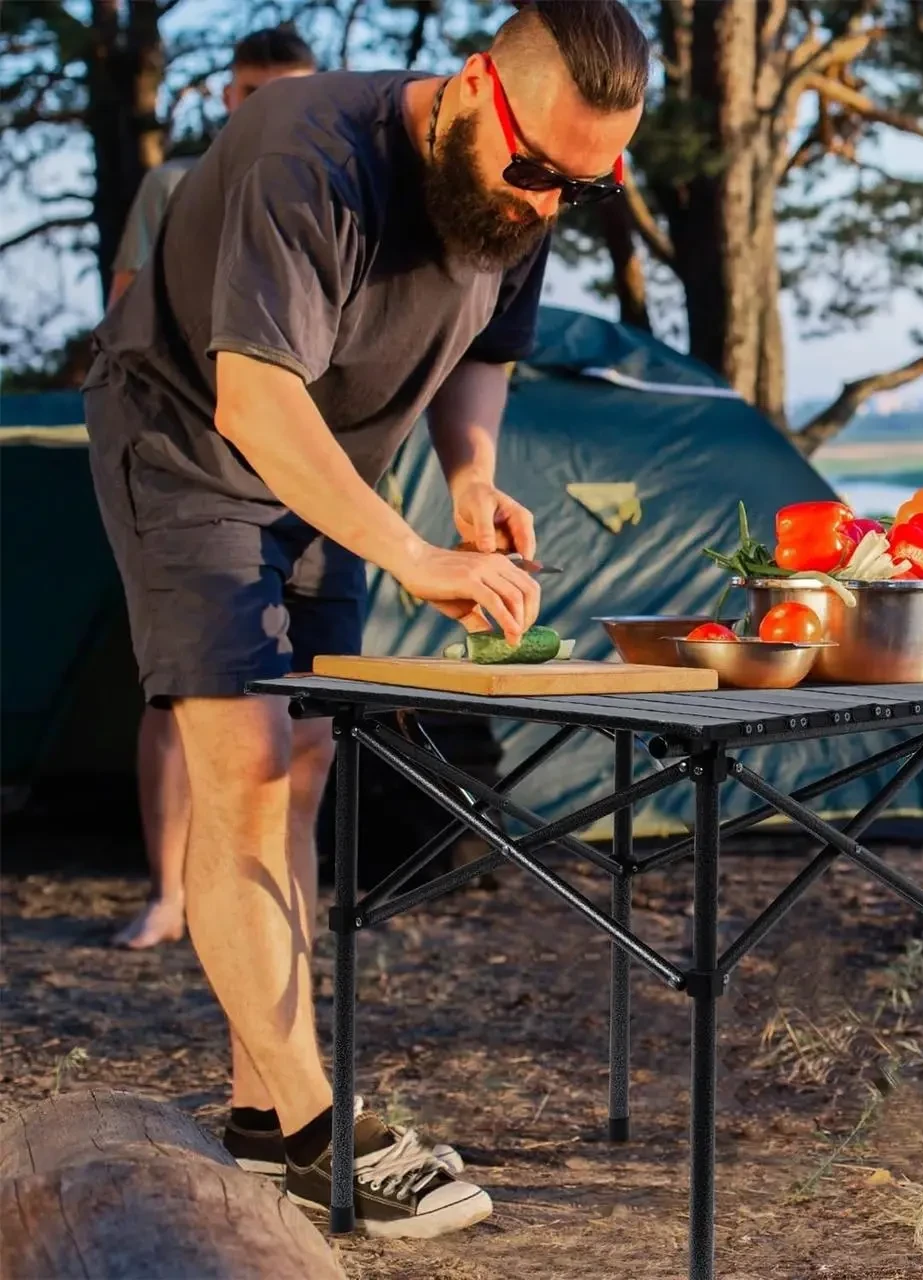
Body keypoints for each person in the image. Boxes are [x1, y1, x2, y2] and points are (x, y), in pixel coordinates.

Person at [82, 0, 648, 1240]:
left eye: (583, 189)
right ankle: (315, 1130)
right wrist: (413, 553)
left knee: (302, 763)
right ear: (468, 89)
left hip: (328, 470)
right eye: (541, 174)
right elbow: (254, 397)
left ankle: (254, 1106)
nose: (549, 205)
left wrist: (469, 478)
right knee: (235, 761)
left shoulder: (532, 178)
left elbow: (486, 342)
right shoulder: (309, 155)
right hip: (193, 448)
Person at [107, 25, 319, 951]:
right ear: (225, 101)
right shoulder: (171, 185)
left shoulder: (327, 190)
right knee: (175, 693)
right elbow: (125, 311)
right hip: (184, 459)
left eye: (285, 95)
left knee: (301, 713)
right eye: (247, 95)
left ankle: (276, 904)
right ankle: (169, 891)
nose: (261, 113)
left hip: (298, 471)